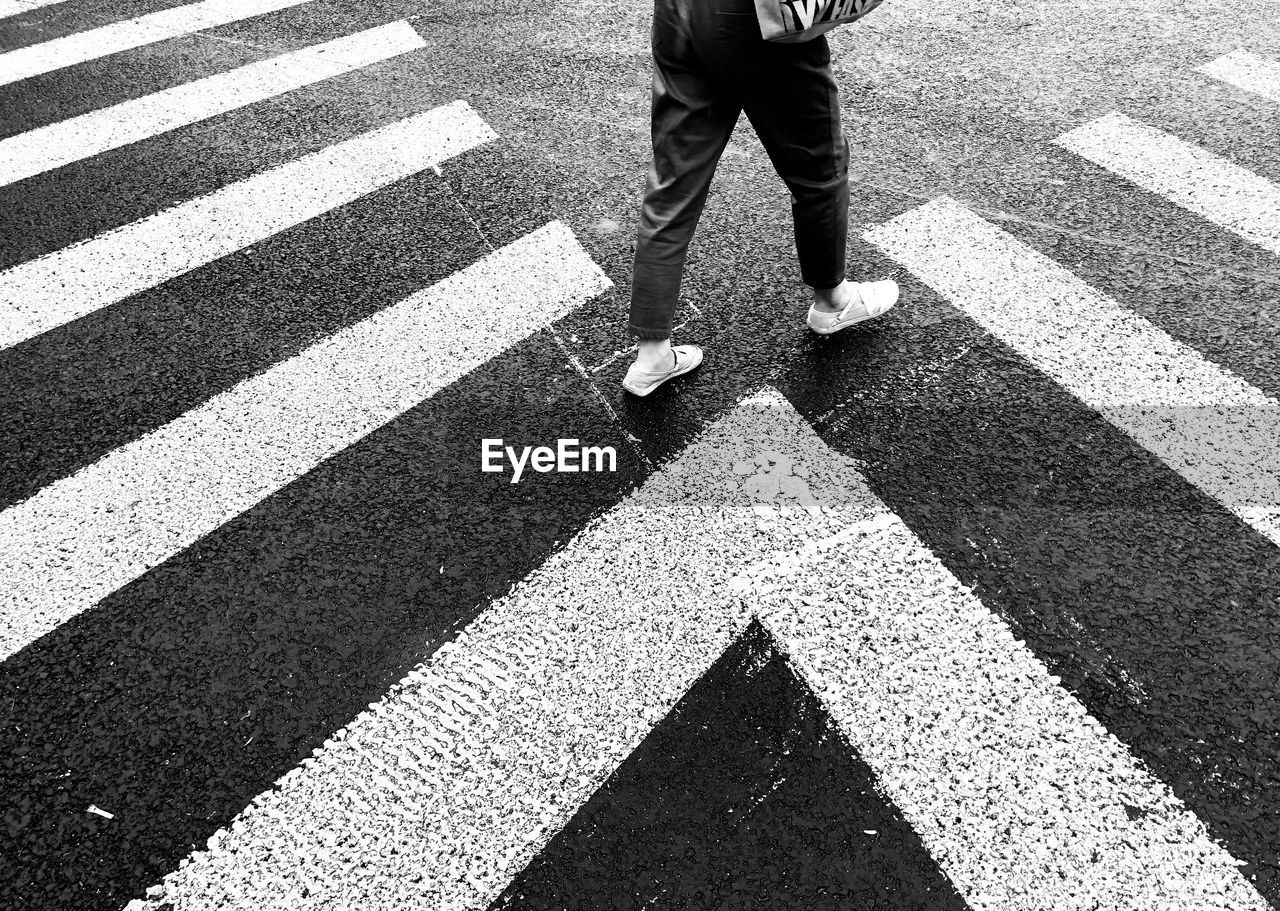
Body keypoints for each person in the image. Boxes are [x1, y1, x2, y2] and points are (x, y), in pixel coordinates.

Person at [622, 0, 899, 397]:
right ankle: (832, 300)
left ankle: (651, 356)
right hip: (752, 15)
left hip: (679, 11)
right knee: (820, 170)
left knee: (672, 189)